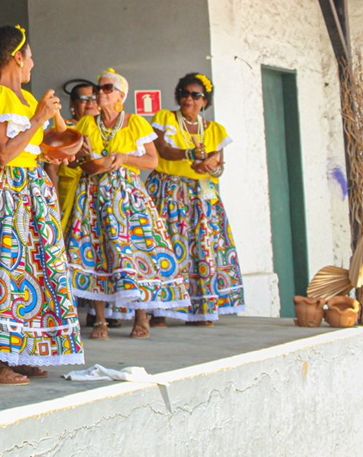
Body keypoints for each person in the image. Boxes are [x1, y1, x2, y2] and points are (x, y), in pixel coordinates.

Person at [0, 26, 82, 384]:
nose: (33, 63)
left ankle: (16, 350)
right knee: (0, 271)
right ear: (16, 57)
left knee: (28, 273)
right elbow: (2, 153)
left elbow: (29, 149)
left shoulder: (25, 100)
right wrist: (40, 118)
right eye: (29, 56)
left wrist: (56, 148)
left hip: (28, 194)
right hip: (0, 194)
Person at [66, 69, 189, 340]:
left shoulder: (136, 124)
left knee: (134, 253)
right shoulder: (86, 125)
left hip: (127, 197)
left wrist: (124, 158)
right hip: (93, 194)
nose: (100, 93)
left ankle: (141, 316)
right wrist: (79, 158)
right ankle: (100, 320)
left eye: (107, 88)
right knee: (95, 250)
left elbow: (152, 161)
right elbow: (76, 161)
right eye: (99, 88)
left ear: (121, 95)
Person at [147, 73, 243, 325]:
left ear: (205, 101)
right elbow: (162, 149)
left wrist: (210, 167)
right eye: (185, 93)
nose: (189, 98)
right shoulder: (164, 119)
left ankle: (200, 310)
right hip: (168, 192)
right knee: (166, 247)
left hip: (201, 197)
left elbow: (219, 165)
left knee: (202, 249)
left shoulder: (215, 130)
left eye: (196, 95)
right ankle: (161, 310)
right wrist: (189, 154)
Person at [54, 79, 99, 234]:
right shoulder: (62, 128)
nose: (91, 103)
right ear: (72, 105)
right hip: (69, 192)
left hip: (98, 193)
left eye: (94, 98)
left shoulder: (106, 128)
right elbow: (51, 168)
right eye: (84, 100)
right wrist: (54, 201)